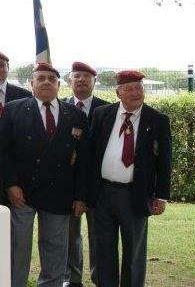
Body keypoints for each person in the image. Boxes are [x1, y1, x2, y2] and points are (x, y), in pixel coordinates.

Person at [74, 70, 172, 287]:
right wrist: (83, 194)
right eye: (129, 89)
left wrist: (161, 196)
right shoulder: (102, 114)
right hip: (102, 195)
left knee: (134, 250)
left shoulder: (157, 120)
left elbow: (164, 161)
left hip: (135, 195)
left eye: (139, 88)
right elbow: (88, 156)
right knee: (103, 249)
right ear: (118, 93)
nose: (135, 93)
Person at [0, 62, 88, 287]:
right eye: (41, 78)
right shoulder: (14, 109)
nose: (46, 82)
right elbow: (3, 151)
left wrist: (80, 195)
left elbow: (84, 160)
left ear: (59, 84)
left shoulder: (76, 115)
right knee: (18, 248)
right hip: (22, 193)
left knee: (55, 250)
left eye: (51, 78)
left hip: (59, 194)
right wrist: (10, 184)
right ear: (31, 84)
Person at [64, 61, 110, 287]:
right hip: (69, 185)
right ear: (69, 80)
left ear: (95, 80)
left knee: (99, 236)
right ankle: (72, 280)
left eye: (86, 76)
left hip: (98, 186)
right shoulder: (60, 107)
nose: (81, 79)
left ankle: (100, 279)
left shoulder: (109, 110)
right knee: (70, 235)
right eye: (76, 76)